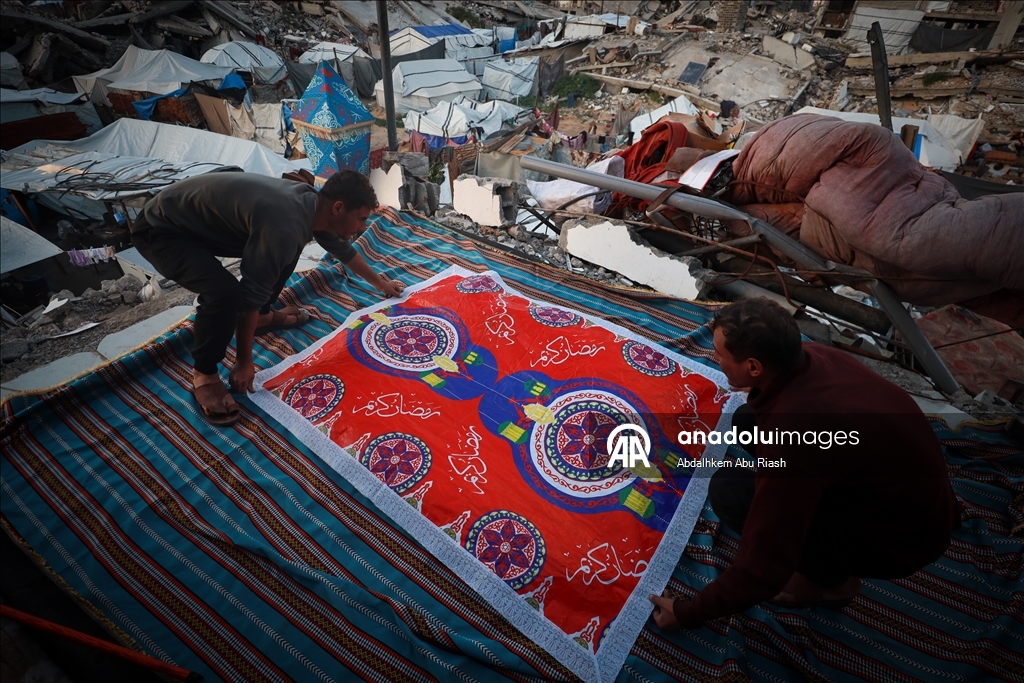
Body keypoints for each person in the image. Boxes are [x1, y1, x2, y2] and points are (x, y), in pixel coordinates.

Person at [650, 298, 960, 628]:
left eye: (720, 354)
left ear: (754, 367)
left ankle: (833, 585)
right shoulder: (817, 356)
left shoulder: (795, 438)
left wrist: (686, 613)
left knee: (729, 490)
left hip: (901, 542)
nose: (715, 359)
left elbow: (762, 569)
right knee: (746, 418)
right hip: (917, 497)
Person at [131, 170, 405, 426]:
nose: (362, 228)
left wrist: (381, 284)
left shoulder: (313, 207)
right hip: (161, 228)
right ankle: (204, 373)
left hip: (192, 221)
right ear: (338, 208)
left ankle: (262, 317)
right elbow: (249, 296)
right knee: (224, 293)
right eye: (361, 219)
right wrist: (244, 362)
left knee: (283, 254)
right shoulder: (285, 225)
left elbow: (344, 251)